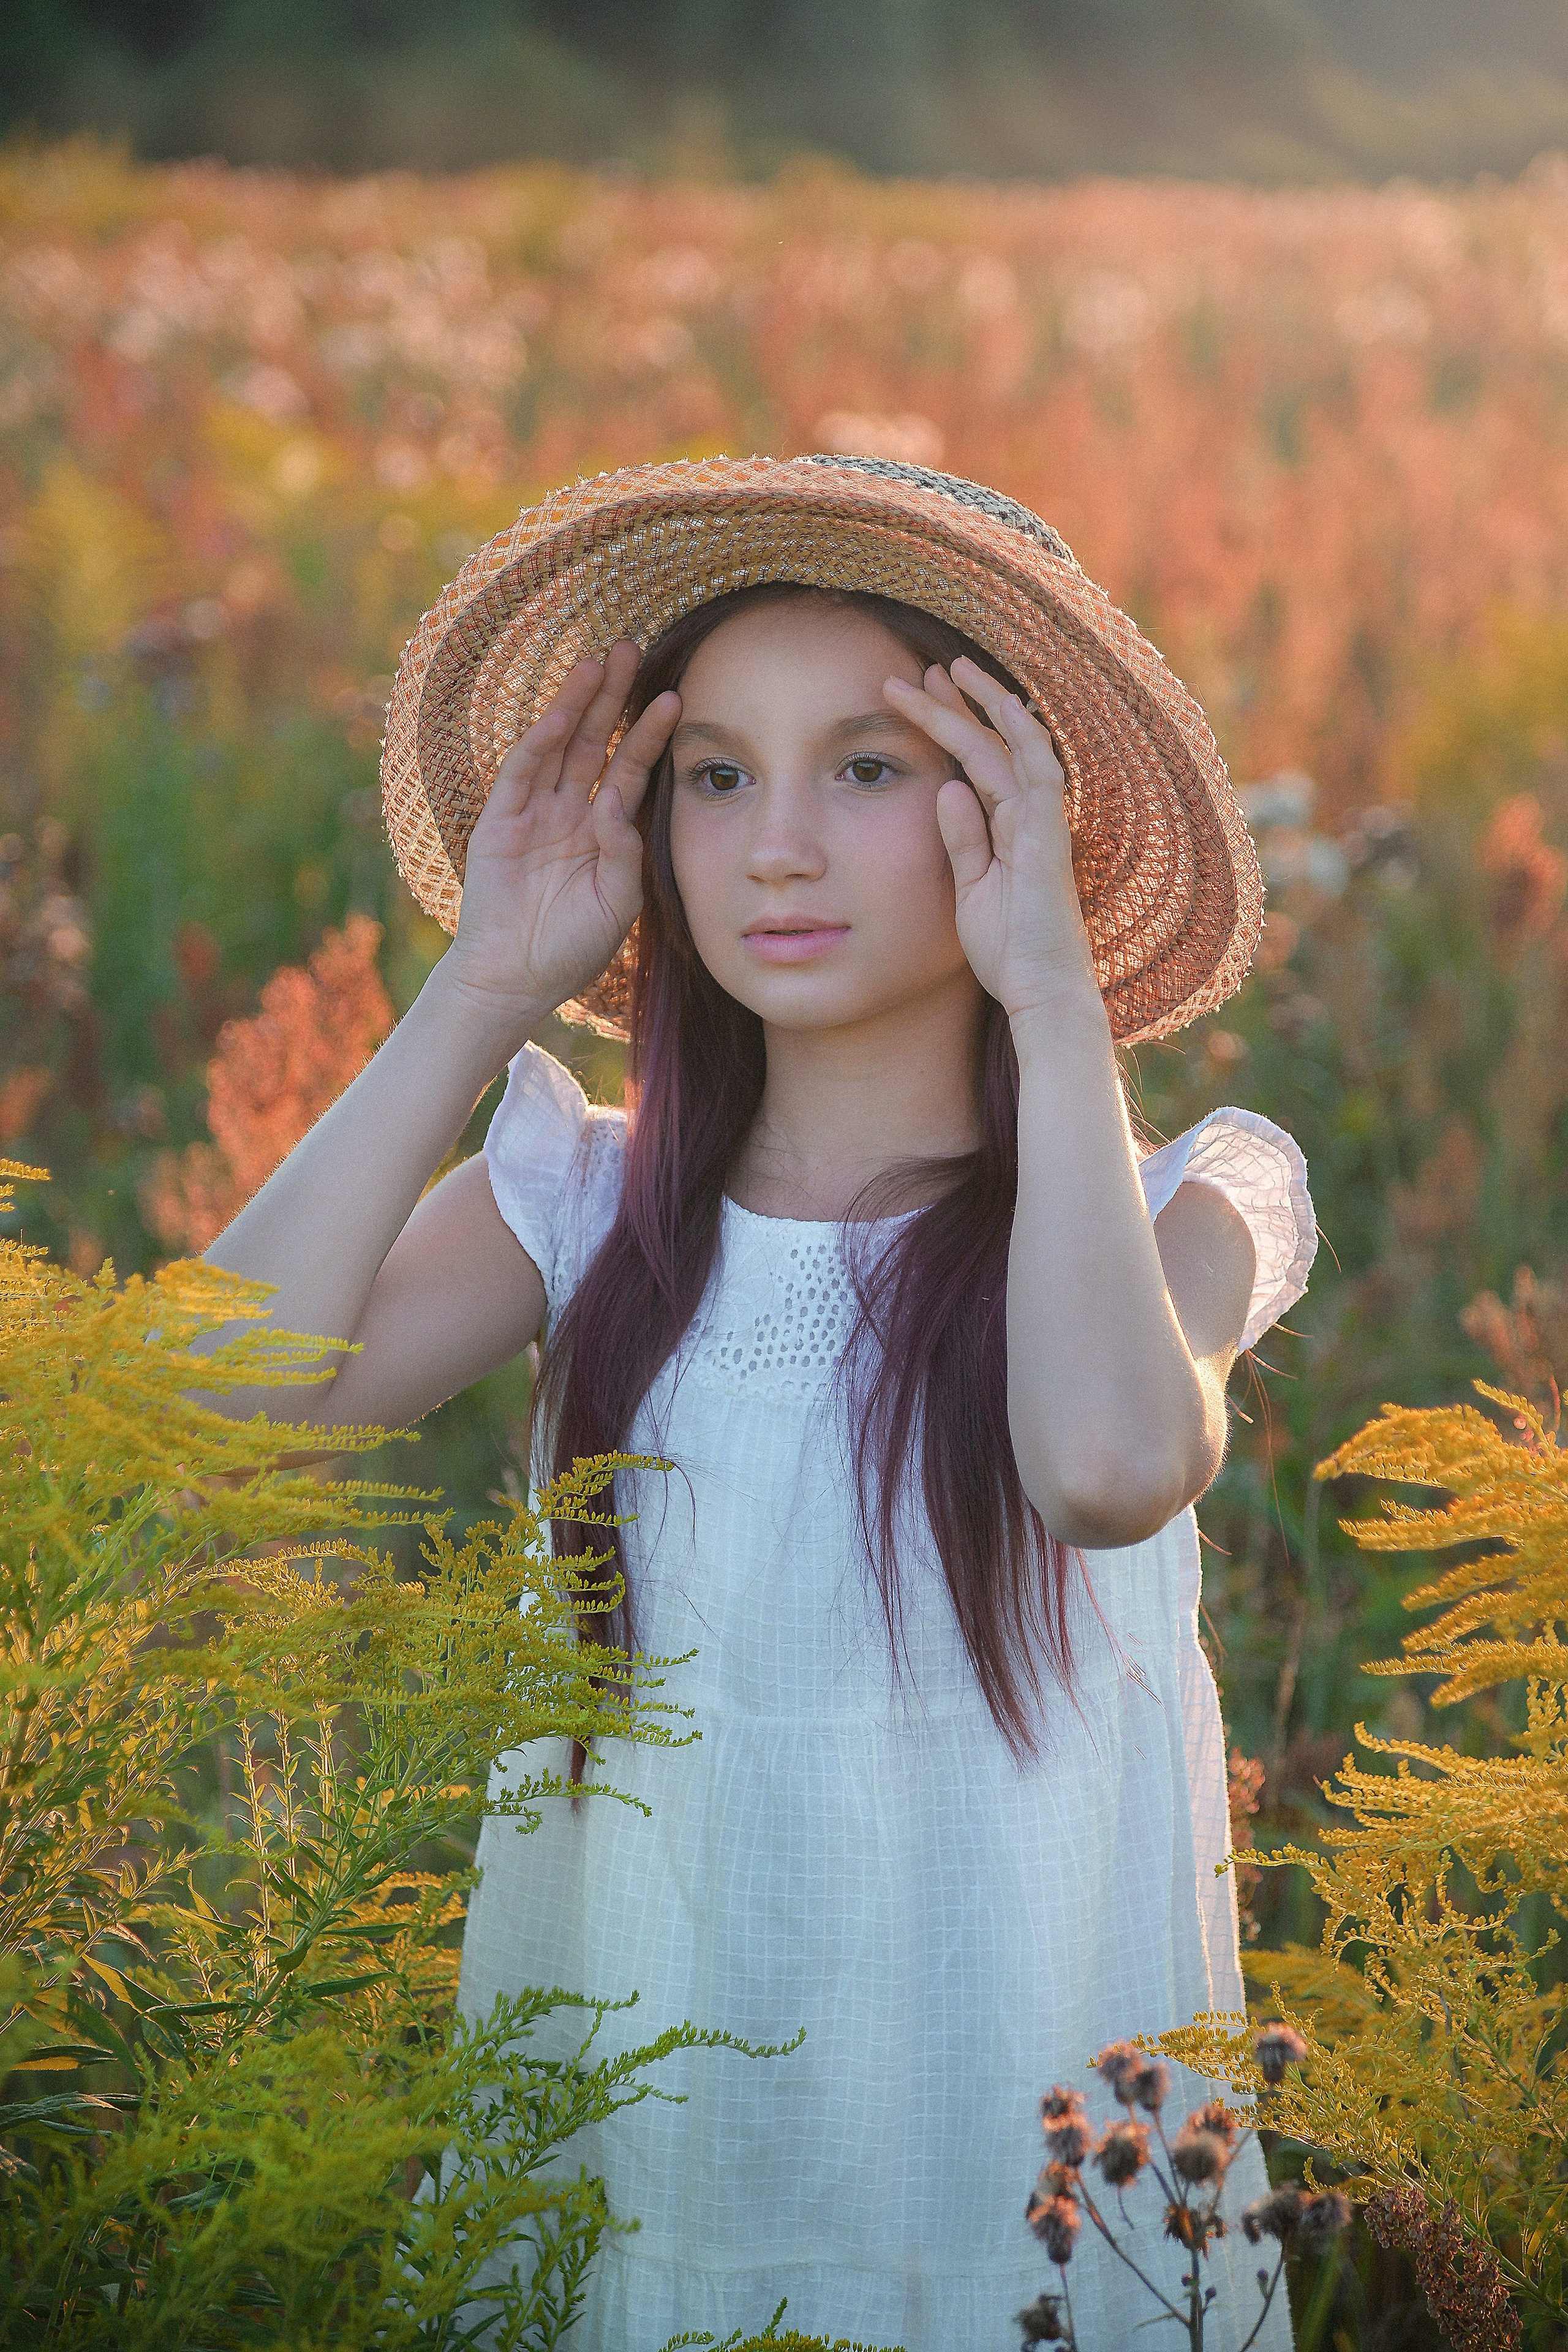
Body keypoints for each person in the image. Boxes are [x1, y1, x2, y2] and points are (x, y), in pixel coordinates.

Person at [210, 456, 1313, 2350]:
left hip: (1030, 2217)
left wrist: (1057, 1004)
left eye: (866, 769)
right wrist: (481, 986)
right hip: (646, 2184)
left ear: (1016, 811)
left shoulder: (1177, 1215)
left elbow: (1111, 1465)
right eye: (715, 778)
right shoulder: (590, 1206)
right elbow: (199, 1424)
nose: (774, 848)